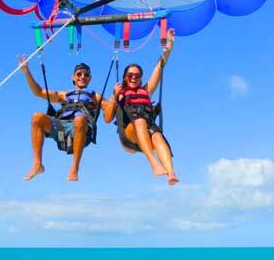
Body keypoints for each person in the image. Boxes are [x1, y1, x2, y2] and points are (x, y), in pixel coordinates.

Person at [104, 28, 179, 185]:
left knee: (158, 135)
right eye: (130, 75)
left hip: (147, 133)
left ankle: (171, 174)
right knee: (140, 122)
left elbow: (159, 67)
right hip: (129, 136)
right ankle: (153, 164)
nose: (133, 78)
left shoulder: (146, 91)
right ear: (125, 77)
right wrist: (114, 95)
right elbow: (107, 119)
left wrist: (169, 46)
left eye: (137, 76)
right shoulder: (120, 93)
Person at [19, 60, 107, 182]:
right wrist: (26, 72)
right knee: (36, 117)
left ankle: (74, 168)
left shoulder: (95, 96)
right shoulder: (64, 95)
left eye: (86, 75)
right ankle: (37, 164)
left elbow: (109, 112)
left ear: (90, 79)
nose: (82, 76)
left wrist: (116, 97)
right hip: (61, 128)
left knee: (80, 119)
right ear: (73, 77)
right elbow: (38, 92)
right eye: (79, 74)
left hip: (81, 129)